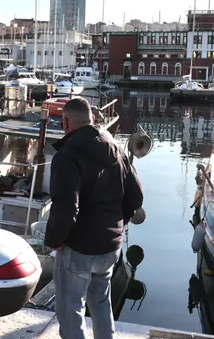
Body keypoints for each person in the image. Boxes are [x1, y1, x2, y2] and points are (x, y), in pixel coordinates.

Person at [44, 97, 144, 339]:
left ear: (66, 122)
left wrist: (54, 240)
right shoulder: (115, 148)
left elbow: (67, 207)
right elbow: (136, 195)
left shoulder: (67, 155)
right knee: (101, 303)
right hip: (111, 248)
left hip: (79, 247)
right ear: (93, 119)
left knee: (71, 309)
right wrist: (119, 223)